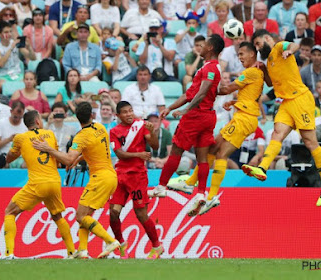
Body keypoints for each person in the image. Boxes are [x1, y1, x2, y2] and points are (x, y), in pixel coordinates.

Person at [168, 42, 263, 215]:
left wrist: (207, 87)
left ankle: (208, 193)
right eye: (239, 54)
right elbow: (251, 95)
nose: (240, 57)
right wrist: (235, 102)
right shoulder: (255, 73)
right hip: (242, 116)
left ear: (252, 54)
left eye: (242, 54)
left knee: (221, 154)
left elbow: (226, 88)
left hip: (244, 119)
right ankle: (193, 184)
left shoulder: (251, 72)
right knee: (213, 148)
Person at [242, 29, 321, 207]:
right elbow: (271, 84)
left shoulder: (278, 47)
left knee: (310, 142)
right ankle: (262, 168)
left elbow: (294, 45)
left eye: (259, 43)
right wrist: (263, 70)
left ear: (267, 38)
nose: (258, 48)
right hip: (285, 102)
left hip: (300, 99)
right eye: (255, 46)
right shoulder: (268, 60)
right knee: (277, 133)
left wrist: (290, 50)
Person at [148, 34, 225, 217]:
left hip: (196, 116)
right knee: (202, 157)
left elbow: (202, 92)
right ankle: (201, 194)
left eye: (205, 44)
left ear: (211, 48)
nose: (201, 46)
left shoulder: (211, 69)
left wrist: (186, 111)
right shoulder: (208, 67)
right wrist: (169, 108)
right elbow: (188, 94)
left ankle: (161, 187)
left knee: (176, 151)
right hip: (208, 116)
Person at [33, 102, 121, 259]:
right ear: (92, 116)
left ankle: (110, 241)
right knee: (86, 215)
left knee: (80, 216)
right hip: (110, 176)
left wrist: (49, 149)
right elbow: (93, 150)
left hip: (99, 179)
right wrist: (77, 159)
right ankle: (83, 251)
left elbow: (67, 159)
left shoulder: (81, 136)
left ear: (76, 119)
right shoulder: (100, 127)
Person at [0, 110, 75, 260]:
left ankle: (8, 253)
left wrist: (8, 156)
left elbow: (10, 158)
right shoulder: (50, 135)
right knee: (57, 216)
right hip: (55, 182)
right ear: (38, 121)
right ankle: (72, 252)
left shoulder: (20, 138)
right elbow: (55, 158)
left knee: (10, 212)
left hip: (37, 183)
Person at [109, 101, 163, 259]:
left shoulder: (141, 125)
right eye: (125, 112)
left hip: (137, 176)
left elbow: (154, 146)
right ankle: (121, 244)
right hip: (120, 175)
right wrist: (139, 155)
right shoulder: (114, 131)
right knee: (113, 213)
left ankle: (157, 246)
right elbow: (119, 154)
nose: (129, 114)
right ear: (118, 116)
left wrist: (151, 133)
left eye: (130, 111)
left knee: (140, 213)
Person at [0, 21, 36, 89]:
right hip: (4, 76)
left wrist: (29, 47)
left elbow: (33, 58)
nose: (9, 34)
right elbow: (0, 64)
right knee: (1, 85)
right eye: (6, 32)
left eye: (10, 31)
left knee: (28, 83)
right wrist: (11, 48)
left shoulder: (16, 43)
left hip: (17, 75)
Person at [0, 101, 27, 169]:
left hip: (22, 156)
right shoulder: (1, 123)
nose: (17, 119)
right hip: (6, 155)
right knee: (2, 162)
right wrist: (9, 139)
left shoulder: (26, 124)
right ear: (11, 111)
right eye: (15, 117)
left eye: (20, 117)